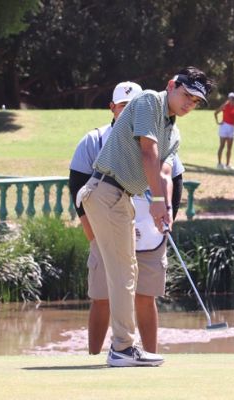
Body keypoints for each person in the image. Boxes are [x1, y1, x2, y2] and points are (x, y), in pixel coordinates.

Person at [78, 67, 213, 367]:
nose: (189, 103)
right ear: (171, 85)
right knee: (124, 273)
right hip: (104, 190)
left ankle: (123, 346)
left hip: (121, 197)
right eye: (186, 95)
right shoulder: (150, 101)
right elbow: (147, 154)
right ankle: (123, 348)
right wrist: (155, 200)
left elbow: (163, 170)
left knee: (129, 272)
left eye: (195, 101)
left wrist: (165, 207)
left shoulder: (173, 131)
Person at [68, 82, 186, 357]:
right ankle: (112, 351)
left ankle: (134, 350)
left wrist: (165, 211)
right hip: (107, 221)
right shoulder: (96, 138)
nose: (128, 110)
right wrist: (93, 236)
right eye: (123, 105)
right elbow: (79, 189)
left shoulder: (165, 132)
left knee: (141, 291)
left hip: (147, 228)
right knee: (104, 296)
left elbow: (170, 176)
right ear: (113, 107)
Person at [214, 92, 234, 170]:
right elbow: (216, 113)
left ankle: (227, 165)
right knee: (222, 146)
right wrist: (218, 122)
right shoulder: (225, 105)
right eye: (231, 98)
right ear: (228, 98)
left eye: (233, 98)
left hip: (232, 128)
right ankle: (219, 164)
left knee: (229, 147)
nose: (232, 99)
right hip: (224, 127)